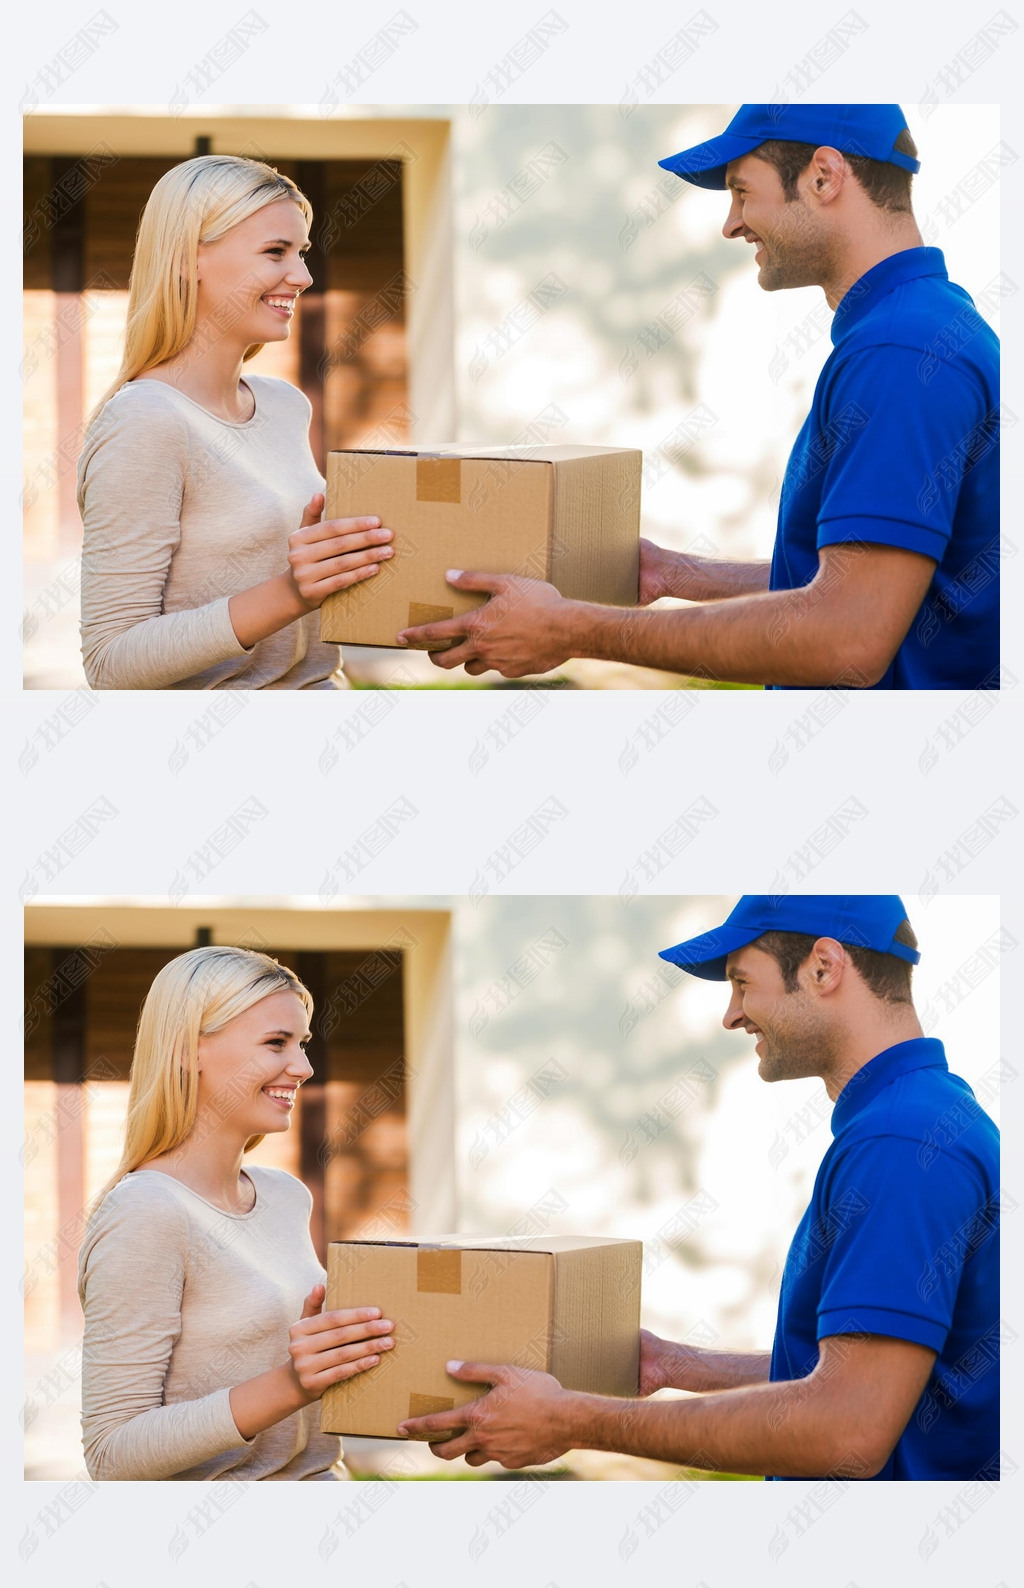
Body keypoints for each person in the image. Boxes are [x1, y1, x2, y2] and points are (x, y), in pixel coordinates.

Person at [397, 106, 999, 690]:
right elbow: (865, 583)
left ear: (823, 176)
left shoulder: (898, 352)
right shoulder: (924, 326)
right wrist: (675, 573)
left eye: (741, 192)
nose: (731, 224)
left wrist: (569, 630)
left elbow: (845, 636)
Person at [400, 896, 1000, 1480]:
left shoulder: (898, 1142)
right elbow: (867, 1374)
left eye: (742, 983)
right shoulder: (925, 1117)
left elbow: (844, 1427)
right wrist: (675, 1364)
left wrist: (572, 1421)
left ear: (823, 967)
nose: (732, 1015)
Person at [77, 946, 395, 1479]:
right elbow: (112, 1455)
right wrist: (293, 1384)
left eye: (302, 1043)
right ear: (187, 1050)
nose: (303, 1067)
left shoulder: (285, 1196)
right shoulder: (145, 1211)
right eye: (276, 1043)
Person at [77, 155, 392, 689]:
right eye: (275, 252)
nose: (303, 276)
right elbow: (112, 663)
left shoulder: (284, 405)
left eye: (301, 253)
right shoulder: (145, 421)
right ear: (186, 259)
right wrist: (293, 592)